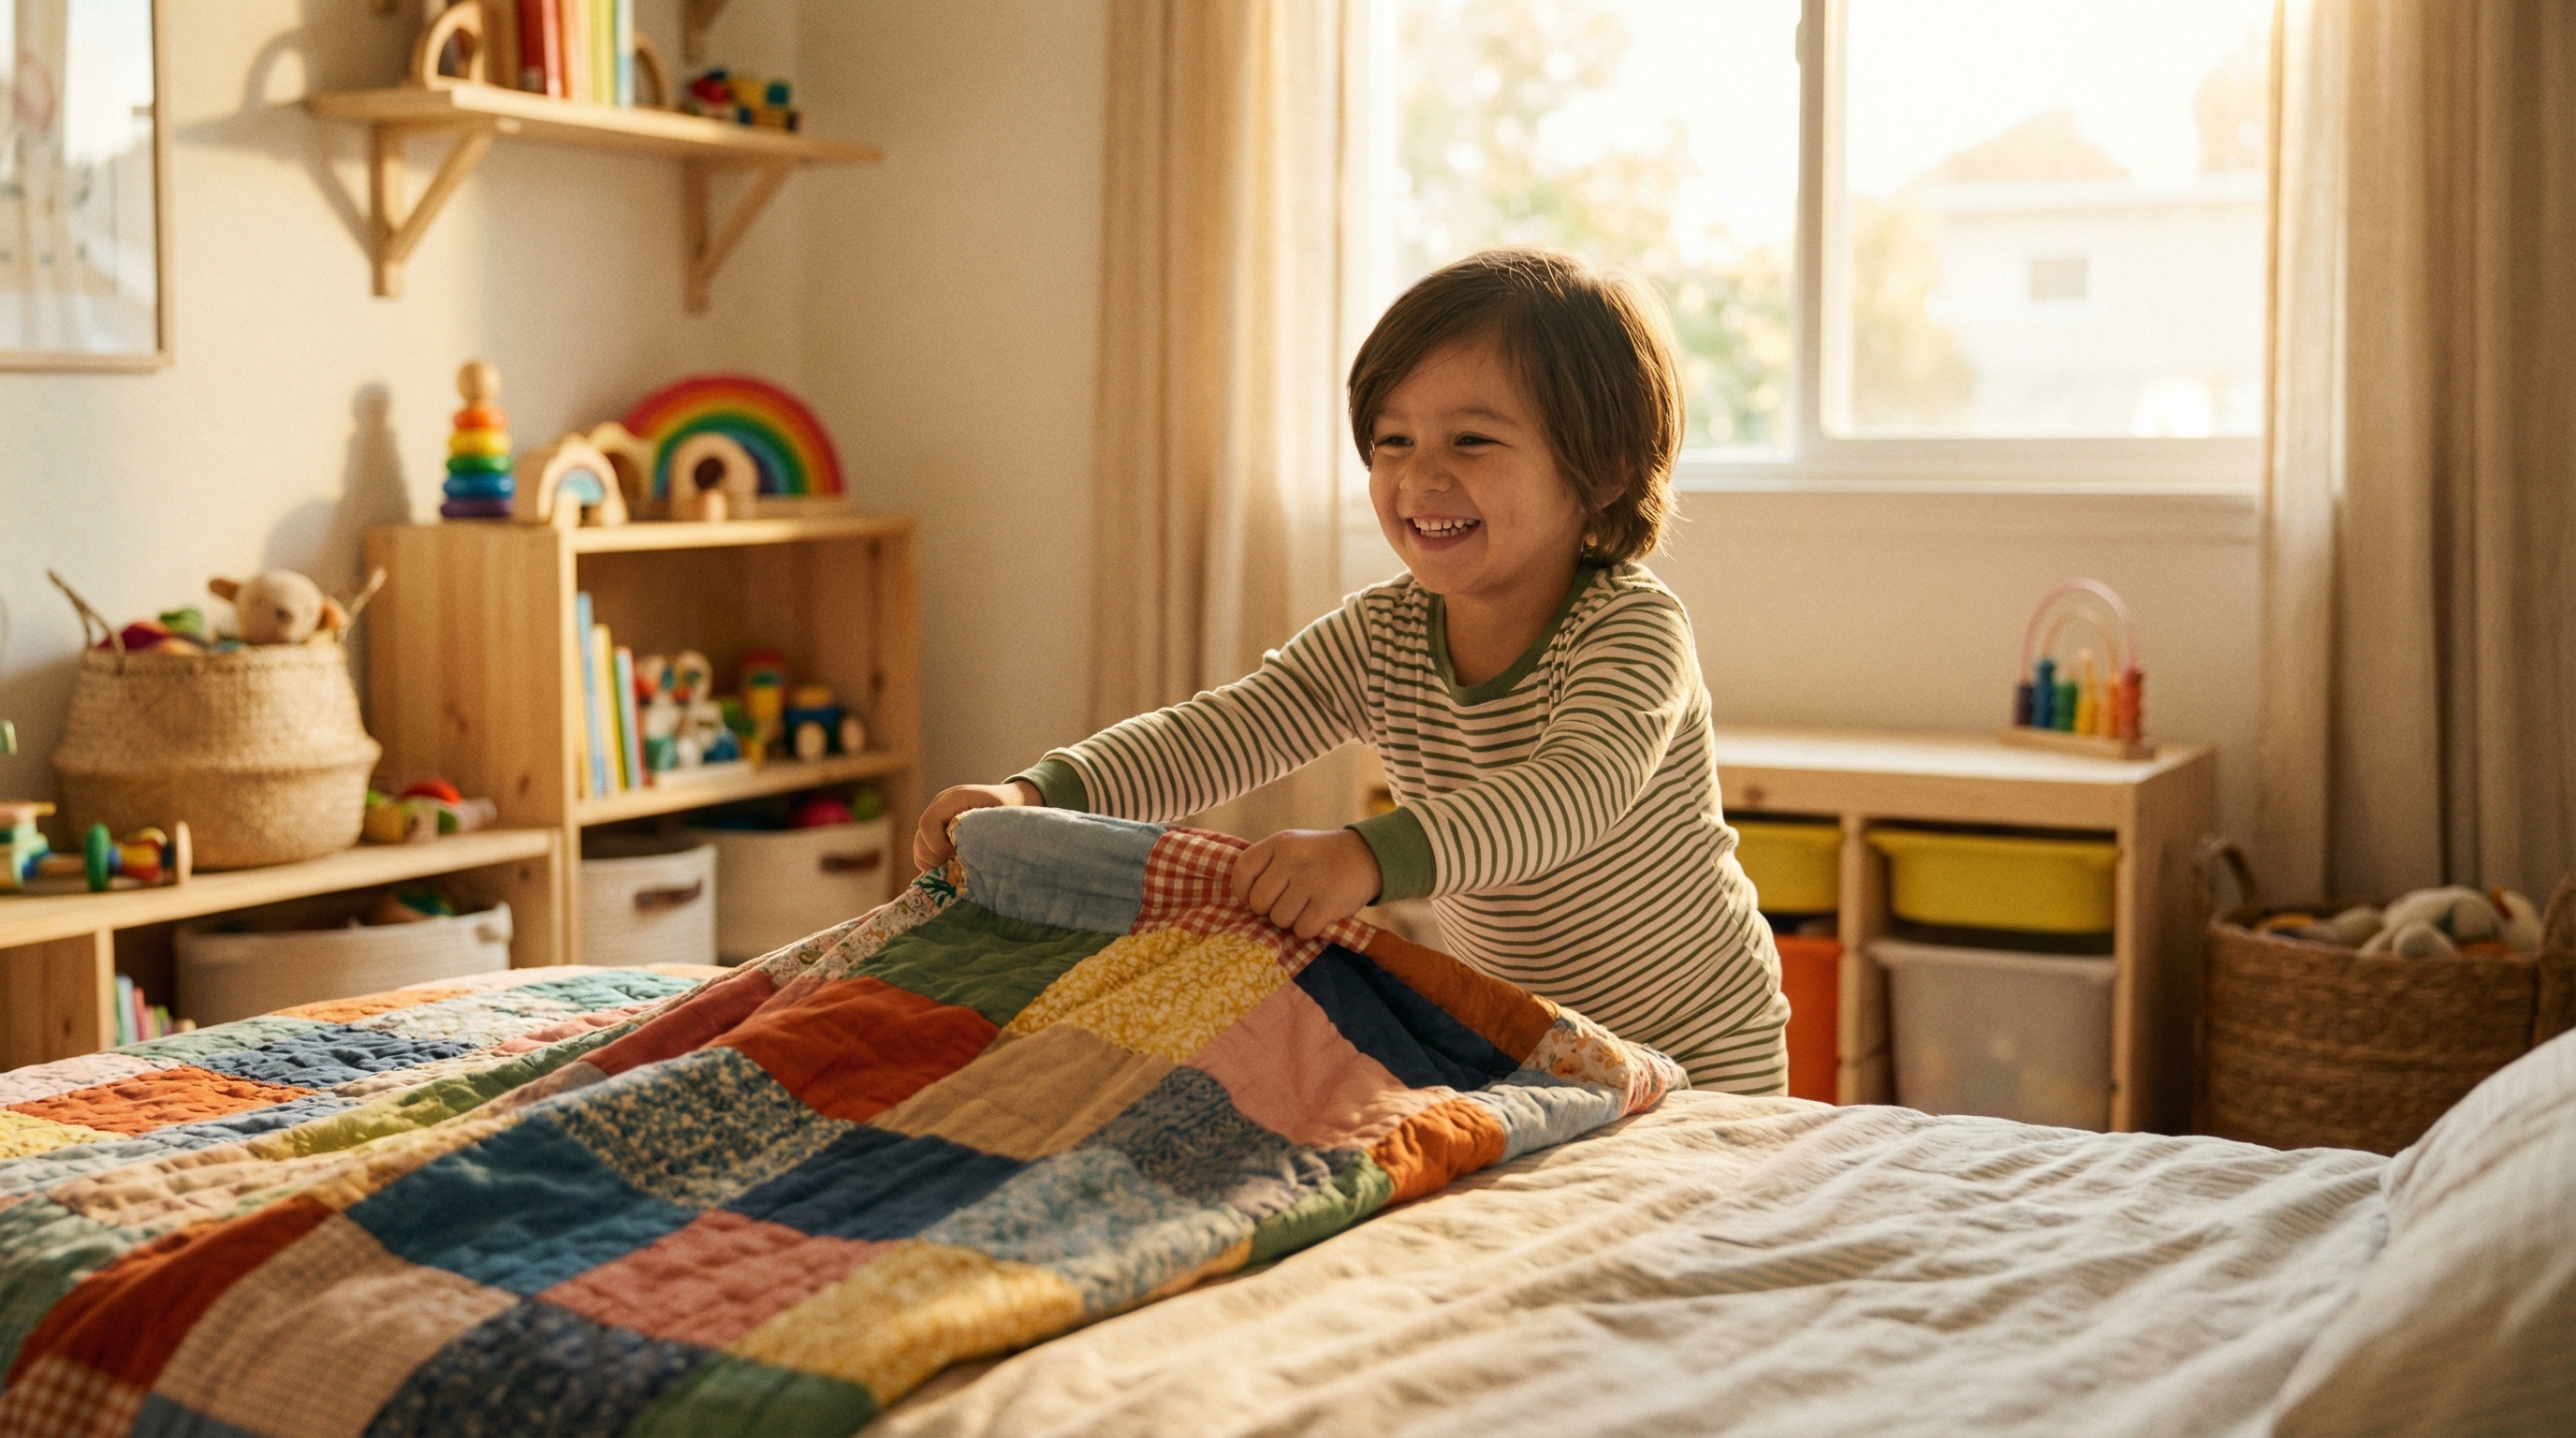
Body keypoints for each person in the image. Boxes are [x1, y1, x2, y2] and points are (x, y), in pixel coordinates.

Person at [914, 247, 1786, 1093]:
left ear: (1603, 470)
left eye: (1472, 440)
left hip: (1702, 1044)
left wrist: (1365, 858)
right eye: (1392, 439)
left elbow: (1569, 795)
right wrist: (1035, 797)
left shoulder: (1631, 628)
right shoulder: (1382, 634)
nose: (1419, 475)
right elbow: (1221, 733)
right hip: (1535, 1043)